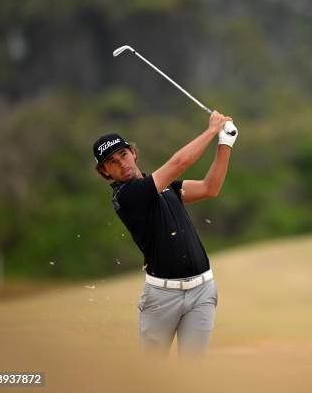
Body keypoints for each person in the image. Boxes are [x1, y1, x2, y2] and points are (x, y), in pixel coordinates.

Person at [92, 111, 238, 360]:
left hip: (202, 290)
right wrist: (212, 130)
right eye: (112, 162)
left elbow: (209, 188)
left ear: (133, 153)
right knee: (154, 375)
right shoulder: (127, 196)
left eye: (124, 155)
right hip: (162, 297)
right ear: (105, 172)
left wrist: (225, 144)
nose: (122, 164)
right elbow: (178, 164)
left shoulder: (164, 185)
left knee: (192, 374)